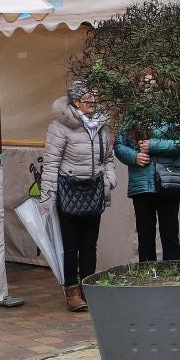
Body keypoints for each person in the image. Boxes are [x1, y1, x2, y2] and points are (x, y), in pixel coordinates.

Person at [42, 81, 115, 311]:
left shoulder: (102, 126)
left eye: (95, 98)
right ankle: (72, 291)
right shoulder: (60, 126)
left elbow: (109, 159)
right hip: (69, 190)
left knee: (89, 244)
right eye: (88, 99)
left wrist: (109, 179)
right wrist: (48, 194)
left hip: (94, 190)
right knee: (70, 244)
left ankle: (88, 288)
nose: (93, 102)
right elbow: (51, 163)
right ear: (75, 102)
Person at [116, 121, 180, 263]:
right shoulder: (132, 116)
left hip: (167, 181)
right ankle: (147, 274)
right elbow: (118, 146)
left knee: (169, 232)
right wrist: (134, 157)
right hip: (141, 184)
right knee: (144, 234)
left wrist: (153, 145)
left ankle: (172, 272)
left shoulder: (172, 114)